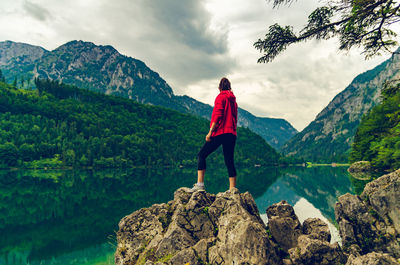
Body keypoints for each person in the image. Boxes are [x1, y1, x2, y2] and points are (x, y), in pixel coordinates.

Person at [191, 77, 238, 192]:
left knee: (201, 155)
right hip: (231, 133)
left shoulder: (220, 97)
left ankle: (200, 185)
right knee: (229, 160)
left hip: (220, 131)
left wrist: (210, 132)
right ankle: (232, 189)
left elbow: (218, 115)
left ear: (219, 87)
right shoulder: (234, 101)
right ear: (230, 87)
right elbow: (235, 118)